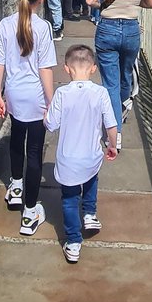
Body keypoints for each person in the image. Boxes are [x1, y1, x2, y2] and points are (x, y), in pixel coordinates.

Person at [0, 0, 56, 236]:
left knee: (17, 137)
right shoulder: (43, 28)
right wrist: (52, 102)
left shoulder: (5, 24)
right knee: (36, 149)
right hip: (36, 96)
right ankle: (29, 212)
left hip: (14, 94)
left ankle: (15, 186)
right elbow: (45, 69)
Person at [44, 44, 118, 263]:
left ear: (67, 69)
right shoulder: (101, 92)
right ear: (93, 68)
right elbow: (111, 124)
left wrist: (45, 116)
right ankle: (89, 214)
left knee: (68, 200)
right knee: (91, 179)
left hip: (67, 158)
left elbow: (51, 125)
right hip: (91, 154)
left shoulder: (61, 93)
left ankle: (74, 242)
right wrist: (112, 145)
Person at [86, 0, 152, 151]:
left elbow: (90, 0)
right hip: (132, 30)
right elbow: (150, 4)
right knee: (125, 76)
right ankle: (122, 107)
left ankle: (114, 135)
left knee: (110, 84)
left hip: (107, 30)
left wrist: (103, 5)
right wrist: (132, 4)